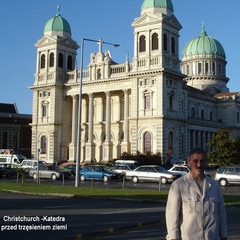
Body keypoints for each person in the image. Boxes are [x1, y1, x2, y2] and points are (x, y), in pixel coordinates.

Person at [165, 148, 228, 240]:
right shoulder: (179, 185)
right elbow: (172, 215)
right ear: (189, 162)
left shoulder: (214, 185)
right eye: (195, 161)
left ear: (206, 162)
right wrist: (173, 237)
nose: (199, 164)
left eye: (202, 161)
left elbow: (221, 214)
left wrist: (224, 235)